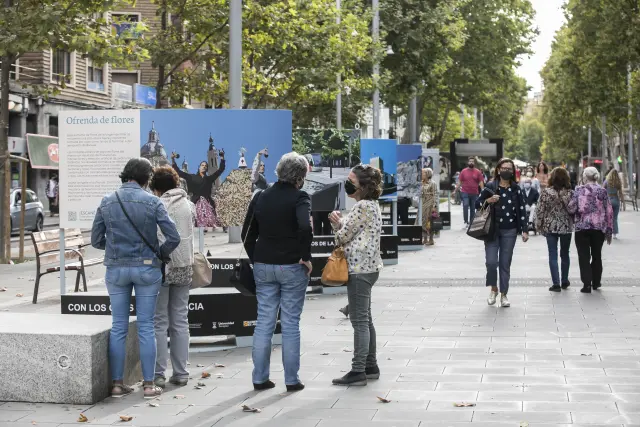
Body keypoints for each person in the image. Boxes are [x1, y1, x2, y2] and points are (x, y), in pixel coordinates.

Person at [91, 158, 180, 399]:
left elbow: (96, 240)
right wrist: (159, 253)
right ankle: (149, 385)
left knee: (119, 326)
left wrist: (115, 249)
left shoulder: (107, 201)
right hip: (147, 269)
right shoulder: (153, 201)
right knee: (146, 326)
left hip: (116, 270)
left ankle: (117, 384)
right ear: (146, 179)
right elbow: (174, 237)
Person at [242, 152, 312, 393]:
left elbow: (247, 233)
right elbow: (305, 227)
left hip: (263, 264)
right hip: (292, 265)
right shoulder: (300, 197)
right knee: (290, 323)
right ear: (300, 177)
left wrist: (256, 257)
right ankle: (291, 380)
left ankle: (260, 378)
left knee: (264, 321)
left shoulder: (260, 196)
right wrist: (305, 256)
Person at [329, 164, 383, 386]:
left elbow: (341, 237)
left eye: (351, 180)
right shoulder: (372, 205)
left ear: (363, 185)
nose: (348, 184)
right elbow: (357, 230)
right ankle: (371, 366)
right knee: (366, 319)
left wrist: (336, 224)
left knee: (359, 321)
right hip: (370, 268)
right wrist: (342, 223)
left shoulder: (361, 206)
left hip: (359, 269)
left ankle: (358, 370)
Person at [150, 166, 196, 389]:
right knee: (180, 320)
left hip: (162, 267)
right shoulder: (189, 205)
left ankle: (158, 374)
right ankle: (181, 373)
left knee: (159, 322)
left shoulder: (156, 204)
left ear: (157, 188)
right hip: (184, 266)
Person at [476, 158, 529, 308]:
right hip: (492, 230)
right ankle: (494, 289)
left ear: (513, 171)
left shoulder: (516, 188)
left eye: (509, 169)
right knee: (491, 262)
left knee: (505, 264)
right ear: (498, 170)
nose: (506, 171)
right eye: (504, 168)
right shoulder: (490, 186)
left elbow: (522, 210)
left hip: (510, 231)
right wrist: (488, 201)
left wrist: (525, 230)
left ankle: (504, 294)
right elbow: (477, 203)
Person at [568, 167, 613, 293]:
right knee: (597, 255)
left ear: (584, 177)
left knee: (583, 256)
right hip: (599, 228)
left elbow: (571, 208)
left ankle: (587, 284)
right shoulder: (602, 191)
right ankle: (596, 282)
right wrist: (609, 230)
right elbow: (609, 211)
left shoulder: (579, 190)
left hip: (582, 228)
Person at [535, 167, 574, 292]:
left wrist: (538, 225)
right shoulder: (570, 193)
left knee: (552, 254)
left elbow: (540, 210)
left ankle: (556, 283)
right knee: (565, 253)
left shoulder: (546, 192)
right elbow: (573, 210)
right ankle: (564, 280)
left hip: (550, 226)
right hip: (566, 227)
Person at [171, 150, 225, 232]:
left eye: (205, 166)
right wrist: (173, 160)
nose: (204, 166)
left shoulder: (209, 179)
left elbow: (220, 170)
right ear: (199, 167)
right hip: (196, 203)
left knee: (211, 222)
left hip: (207, 204)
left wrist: (222, 157)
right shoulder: (192, 177)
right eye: (202, 165)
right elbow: (179, 172)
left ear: (207, 169)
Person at [456, 157, 485, 227]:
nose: (471, 162)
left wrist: (483, 191)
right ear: (468, 162)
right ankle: (466, 221)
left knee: (473, 208)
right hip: (465, 192)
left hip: (474, 193)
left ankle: (471, 222)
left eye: (472, 161)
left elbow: (481, 182)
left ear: (474, 163)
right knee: (465, 205)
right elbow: (459, 181)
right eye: (470, 161)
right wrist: (455, 190)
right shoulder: (463, 171)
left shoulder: (478, 172)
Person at [417, 168, 438, 246]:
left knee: (430, 222)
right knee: (422, 221)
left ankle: (431, 239)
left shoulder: (433, 183)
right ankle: (425, 238)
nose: (421, 175)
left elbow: (435, 195)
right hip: (422, 204)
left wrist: (434, 206)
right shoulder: (421, 183)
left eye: (423, 173)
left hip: (430, 204)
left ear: (428, 174)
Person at [603, 169, 625, 239]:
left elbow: (602, 190)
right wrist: (623, 203)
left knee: (607, 217)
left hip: (608, 201)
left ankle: (607, 232)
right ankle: (614, 234)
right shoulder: (618, 182)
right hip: (616, 201)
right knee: (615, 218)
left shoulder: (606, 181)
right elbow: (621, 194)